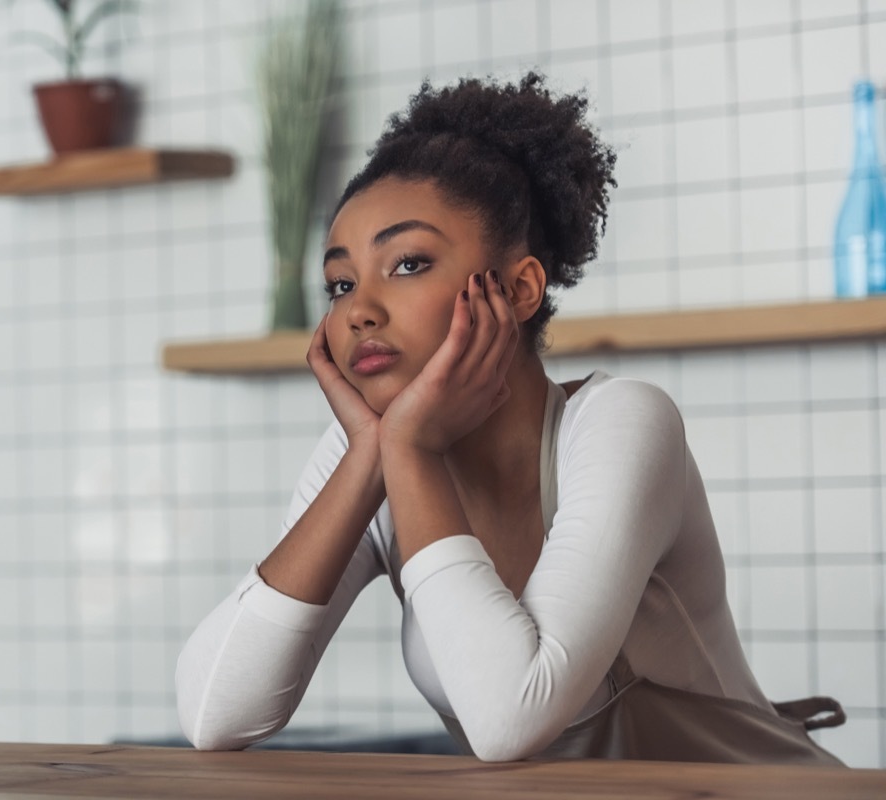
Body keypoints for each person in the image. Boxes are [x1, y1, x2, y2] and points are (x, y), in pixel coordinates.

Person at [175, 72, 845, 763]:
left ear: (519, 288)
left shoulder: (621, 424)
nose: (358, 310)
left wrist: (405, 447)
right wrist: (382, 452)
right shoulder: (373, 450)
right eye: (341, 282)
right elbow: (214, 711)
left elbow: (508, 719)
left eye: (407, 264)